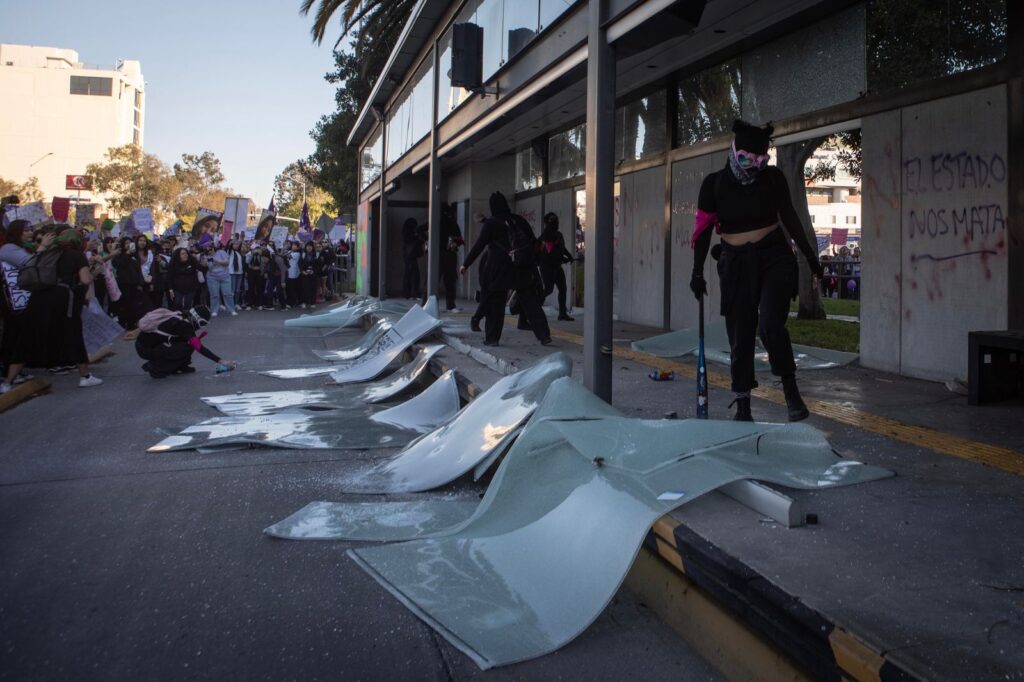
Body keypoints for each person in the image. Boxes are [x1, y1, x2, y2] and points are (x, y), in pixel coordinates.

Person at [690, 120, 823, 422]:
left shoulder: (773, 179)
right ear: (734, 152)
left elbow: (790, 218)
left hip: (774, 256)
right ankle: (743, 404)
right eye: (746, 159)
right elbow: (702, 232)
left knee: (770, 326)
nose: (752, 166)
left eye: (760, 160)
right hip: (735, 262)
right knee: (740, 334)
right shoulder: (714, 184)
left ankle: (790, 390)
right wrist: (697, 272)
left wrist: (811, 259)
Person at [1, 227, 102, 393]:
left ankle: (7, 382)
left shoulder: (46, 253)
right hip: (63, 299)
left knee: (27, 340)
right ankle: (85, 376)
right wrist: (93, 273)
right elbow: (84, 280)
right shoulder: (77, 255)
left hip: (38, 298)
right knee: (74, 337)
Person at [460, 191, 551, 346]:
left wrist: (465, 264)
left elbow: (479, 246)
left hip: (499, 270)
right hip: (522, 268)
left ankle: (492, 338)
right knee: (531, 303)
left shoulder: (492, 223)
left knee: (496, 305)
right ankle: (544, 335)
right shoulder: (519, 220)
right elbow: (532, 242)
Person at [135, 304, 235, 378]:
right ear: (197, 319)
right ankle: (155, 368)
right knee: (187, 347)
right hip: (146, 350)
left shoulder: (180, 314)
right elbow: (199, 347)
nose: (200, 327)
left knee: (187, 343)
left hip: (144, 345)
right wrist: (220, 360)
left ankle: (179, 366)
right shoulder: (183, 325)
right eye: (202, 323)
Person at [538, 212, 575, 321]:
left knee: (563, 288)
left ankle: (562, 313)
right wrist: (562, 258)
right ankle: (534, 308)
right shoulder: (546, 236)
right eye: (554, 223)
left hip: (556, 266)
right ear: (548, 224)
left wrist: (568, 255)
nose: (556, 224)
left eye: (557, 222)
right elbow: (550, 252)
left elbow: (561, 248)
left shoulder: (558, 235)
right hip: (547, 267)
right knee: (548, 289)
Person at [111, 236, 146, 330]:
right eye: (126, 243)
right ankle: (123, 322)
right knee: (124, 305)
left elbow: (138, 270)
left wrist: (140, 283)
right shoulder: (119, 255)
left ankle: (132, 323)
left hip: (134, 284)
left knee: (133, 305)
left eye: (129, 243)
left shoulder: (134, 256)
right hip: (123, 284)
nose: (128, 245)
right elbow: (120, 264)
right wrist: (127, 254)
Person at [440, 204, 464, 311]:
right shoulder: (452, 223)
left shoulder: (435, 221)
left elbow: (420, 230)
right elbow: (460, 239)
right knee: (450, 281)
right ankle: (450, 304)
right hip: (450, 255)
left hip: (436, 255)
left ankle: (426, 302)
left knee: (432, 279)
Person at [207, 243, 237, 316]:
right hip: (212, 277)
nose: (209, 251)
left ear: (213, 248)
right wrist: (211, 263)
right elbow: (209, 268)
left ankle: (231, 309)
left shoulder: (221, 252)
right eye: (207, 250)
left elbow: (227, 263)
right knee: (214, 295)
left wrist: (217, 261)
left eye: (210, 249)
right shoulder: (206, 256)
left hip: (225, 276)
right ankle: (214, 310)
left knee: (228, 294)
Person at [402, 218, 424, 300]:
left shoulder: (406, 233)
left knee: (409, 274)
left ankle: (409, 293)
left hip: (408, 256)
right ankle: (413, 293)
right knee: (414, 275)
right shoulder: (410, 234)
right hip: (410, 256)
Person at [299, 241, 318, 308]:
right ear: (305, 247)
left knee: (313, 288)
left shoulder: (316, 254)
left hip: (313, 274)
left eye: (310, 246)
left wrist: (314, 271)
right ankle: (304, 302)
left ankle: (313, 303)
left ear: (312, 247)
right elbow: (300, 264)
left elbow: (318, 265)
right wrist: (303, 271)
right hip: (305, 274)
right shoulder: (303, 254)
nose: (309, 248)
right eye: (307, 246)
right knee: (304, 288)